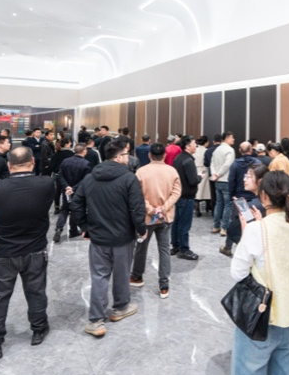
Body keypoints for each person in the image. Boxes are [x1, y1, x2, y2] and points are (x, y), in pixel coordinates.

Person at [229, 171, 289, 375]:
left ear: (264, 196)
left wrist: (247, 232)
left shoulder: (256, 230)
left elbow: (238, 273)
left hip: (262, 316)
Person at [0, 147, 55, 361]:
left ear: (9, 165)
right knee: (36, 291)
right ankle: (39, 328)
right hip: (35, 249)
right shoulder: (46, 184)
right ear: (33, 162)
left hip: (3, 252)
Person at [71, 139, 146, 338]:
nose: (129, 157)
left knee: (99, 276)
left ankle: (96, 321)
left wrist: (85, 227)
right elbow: (137, 208)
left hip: (98, 237)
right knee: (122, 273)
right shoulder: (129, 178)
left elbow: (76, 204)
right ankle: (120, 308)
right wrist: (141, 229)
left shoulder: (90, 178)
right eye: (126, 154)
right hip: (123, 236)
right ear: (119, 157)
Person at [131, 143, 181, 298]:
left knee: (141, 247)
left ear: (149, 155)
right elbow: (176, 192)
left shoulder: (141, 172)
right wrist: (163, 208)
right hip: (166, 217)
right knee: (164, 249)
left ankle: (137, 276)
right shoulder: (172, 171)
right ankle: (164, 285)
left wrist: (151, 209)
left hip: (146, 218)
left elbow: (137, 195)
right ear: (164, 155)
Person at [221, 164, 268, 257]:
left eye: (249, 177)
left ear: (260, 181)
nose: (244, 179)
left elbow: (234, 231)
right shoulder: (264, 200)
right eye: (245, 176)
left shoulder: (256, 205)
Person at [172, 136, 201, 261]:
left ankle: (175, 246)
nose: (196, 145)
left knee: (176, 222)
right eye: (194, 143)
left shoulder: (178, 158)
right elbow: (193, 181)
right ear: (187, 146)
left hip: (178, 195)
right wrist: (200, 177)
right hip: (187, 196)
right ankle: (184, 249)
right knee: (184, 224)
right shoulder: (188, 161)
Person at [55, 144, 90, 242]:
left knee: (64, 209)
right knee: (75, 209)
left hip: (66, 190)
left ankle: (59, 229)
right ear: (84, 151)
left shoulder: (65, 161)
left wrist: (66, 186)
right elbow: (85, 179)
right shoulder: (86, 163)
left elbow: (60, 175)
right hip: (78, 191)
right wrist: (73, 188)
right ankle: (73, 230)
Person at [210, 131, 236, 235]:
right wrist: (219, 174)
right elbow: (227, 165)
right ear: (227, 138)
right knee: (228, 205)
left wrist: (214, 174)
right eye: (232, 138)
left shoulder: (217, 149)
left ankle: (216, 226)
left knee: (218, 203)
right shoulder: (230, 150)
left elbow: (212, 163)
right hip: (226, 180)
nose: (233, 139)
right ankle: (224, 228)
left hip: (217, 180)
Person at [50, 137, 75, 213]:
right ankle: (67, 206)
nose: (71, 144)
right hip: (68, 175)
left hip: (58, 174)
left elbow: (52, 165)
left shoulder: (57, 153)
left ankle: (56, 207)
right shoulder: (71, 154)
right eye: (69, 143)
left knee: (57, 191)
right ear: (66, 144)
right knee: (68, 190)